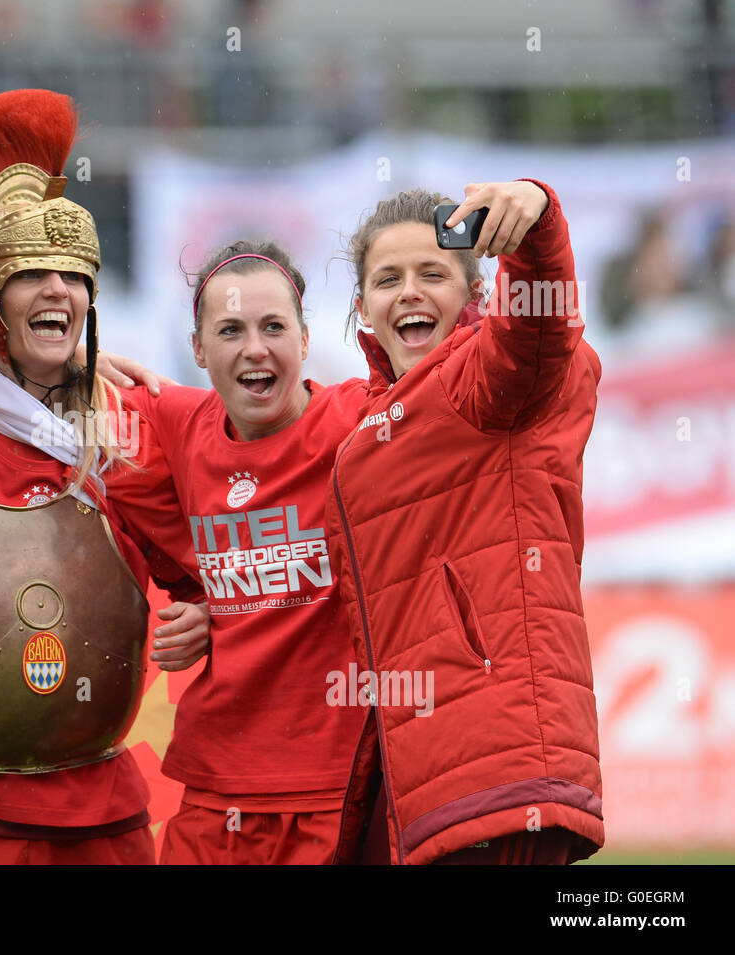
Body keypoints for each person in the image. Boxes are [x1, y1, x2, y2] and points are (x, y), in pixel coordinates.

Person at [0, 89, 209, 865]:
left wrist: (208, 612)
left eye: (74, 276)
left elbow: (224, 543)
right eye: (32, 275)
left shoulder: (131, 427)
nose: (59, 291)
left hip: (101, 813)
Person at [326, 180, 604, 865]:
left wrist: (536, 224)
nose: (411, 291)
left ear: (474, 294)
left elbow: (537, 331)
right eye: (388, 278)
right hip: (425, 782)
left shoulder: (487, 377)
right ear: (363, 306)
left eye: (433, 273)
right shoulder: (366, 424)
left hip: (501, 777)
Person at [115, 240, 369, 864]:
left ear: (306, 341)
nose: (255, 348)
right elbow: (37, 393)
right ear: (198, 349)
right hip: (214, 792)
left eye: (273, 327)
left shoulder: (360, 419)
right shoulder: (175, 421)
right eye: (230, 330)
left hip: (336, 793)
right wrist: (82, 359)